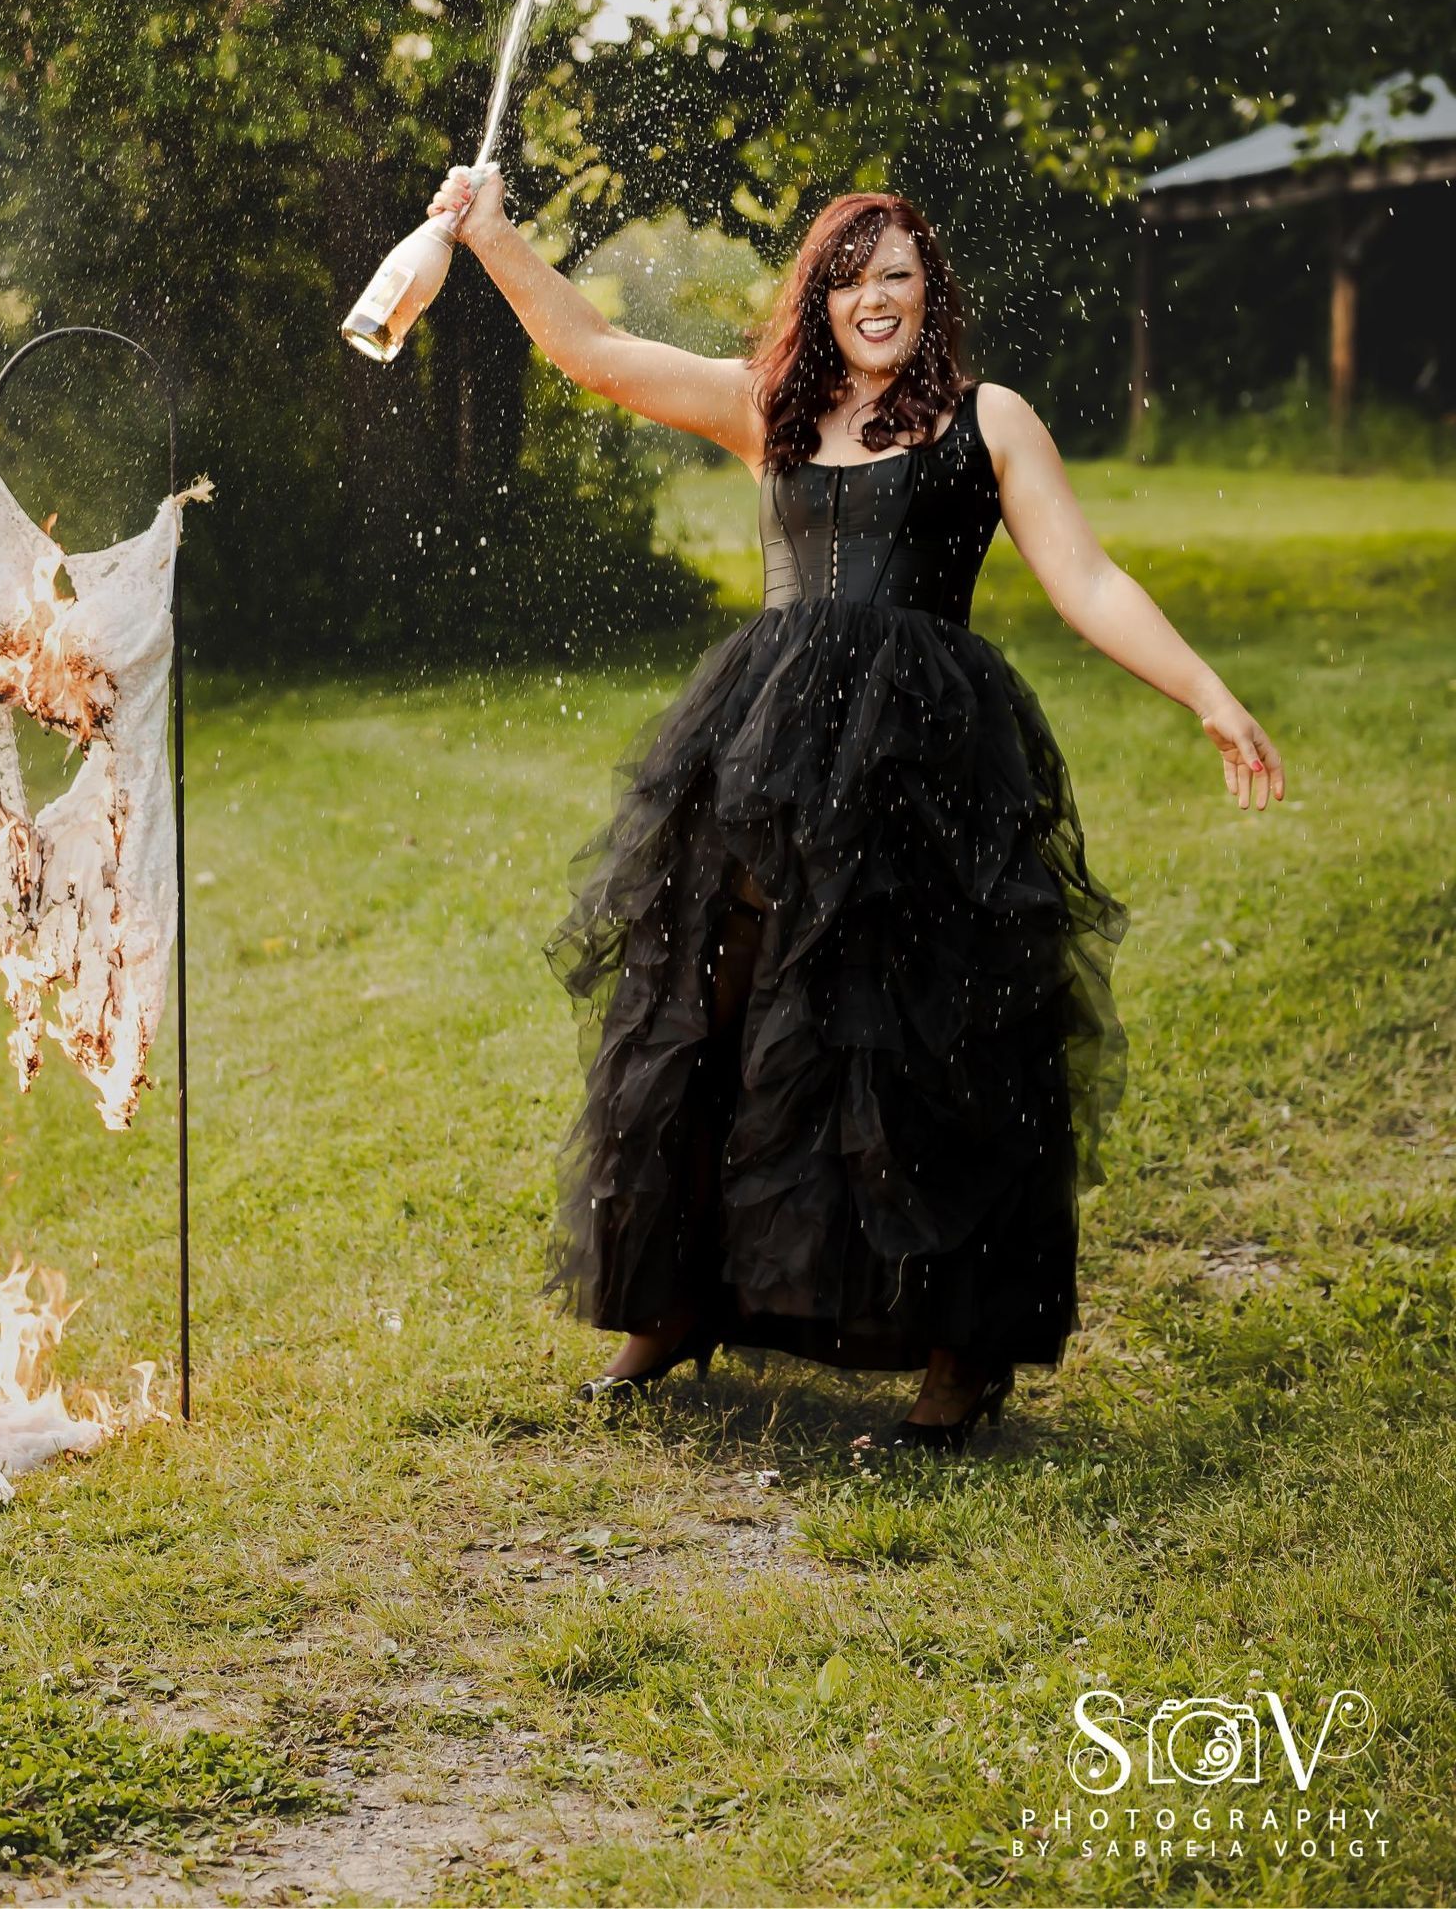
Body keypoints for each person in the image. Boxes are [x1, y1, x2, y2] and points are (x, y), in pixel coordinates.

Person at [427, 169, 1286, 1450]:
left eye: (894, 273)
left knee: (929, 1041)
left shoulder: (986, 419)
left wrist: (1208, 690)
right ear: (818, 296)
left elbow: (1087, 577)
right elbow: (596, 353)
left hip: (927, 767)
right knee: (704, 1007)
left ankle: (960, 1351)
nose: (872, 297)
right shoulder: (774, 406)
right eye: (847, 275)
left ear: (928, 288)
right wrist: (490, 237)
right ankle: (667, 1302)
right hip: (764, 752)